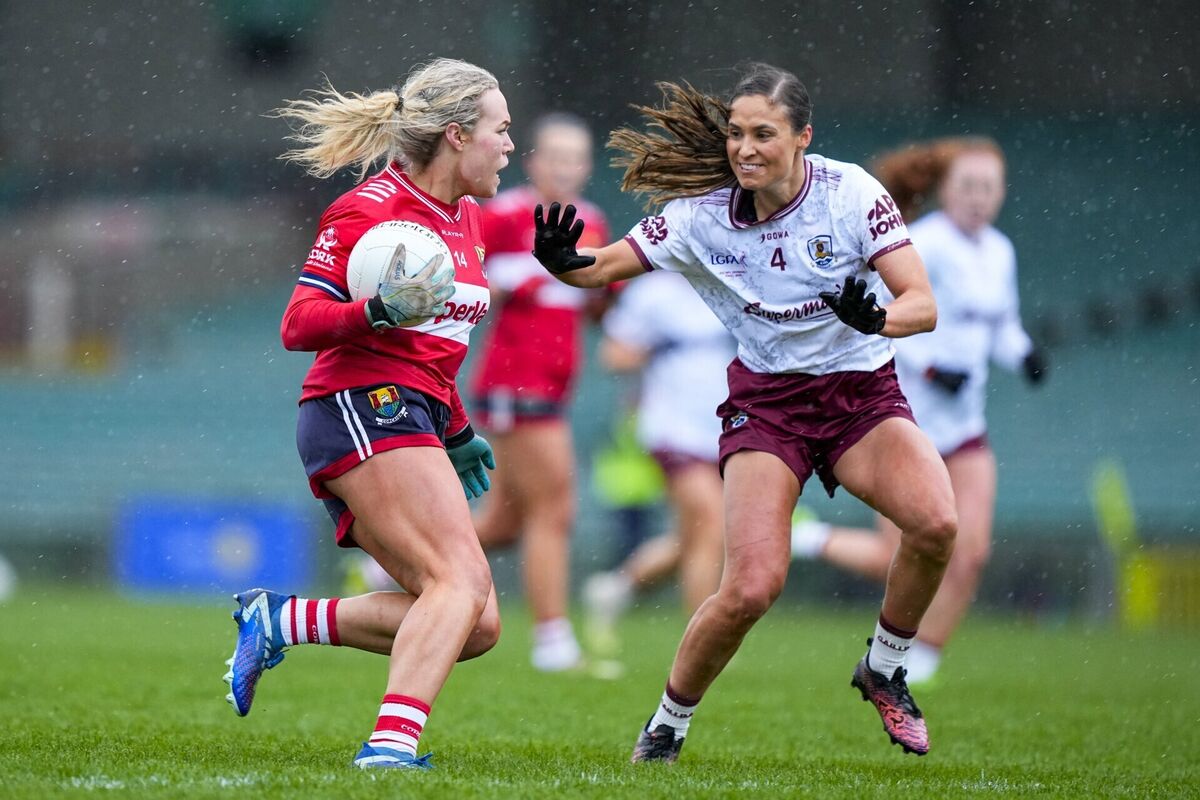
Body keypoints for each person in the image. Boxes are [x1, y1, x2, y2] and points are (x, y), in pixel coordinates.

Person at [531, 63, 957, 760]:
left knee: (937, 523)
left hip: (860, 397)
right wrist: (561, 262)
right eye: (736, 133)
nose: (745, 148)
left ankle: (884, 665)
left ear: (802, 138)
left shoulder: (850, 194)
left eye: (764, 133)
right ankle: (667, 724)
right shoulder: (698, 219)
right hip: (768, 407)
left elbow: (922, 304)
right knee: (752, 586)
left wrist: (877, 318)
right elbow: (599, 267)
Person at [222, 57, 514, 770]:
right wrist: (376, 310)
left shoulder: (468, 218)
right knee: (460, 582)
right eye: (501, 130)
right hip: (358, 403)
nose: (510, 144)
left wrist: (458, 429)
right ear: (455, 134)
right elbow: (299, 323)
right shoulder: (369, 208)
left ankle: (282, 619)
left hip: (413, 408)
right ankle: (390, 745)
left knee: (476, 624)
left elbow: (435, 349)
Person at [789, 136, 1047, 684]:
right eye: (967, 186)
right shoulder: (921, 242)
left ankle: (921, 658)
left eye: (989, 187)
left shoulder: (1000, 251)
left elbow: (1000, 325)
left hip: (964, 425)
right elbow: (885, 317)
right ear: (944, 190)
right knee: (897, 550)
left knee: (970, 551)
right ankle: (805, 539)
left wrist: (1023, 354)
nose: (978, 198)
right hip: (904, 417)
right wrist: (929, 366)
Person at [467, 113, 610, 671]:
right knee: (555, 508)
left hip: (556, 380)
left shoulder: (592, 221)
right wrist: (536, 274)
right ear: (533, 161)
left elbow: (590, 301)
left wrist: (607, 293)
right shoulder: (502, 213)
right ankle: (553, 639)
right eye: (555, 156)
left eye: (576, 158)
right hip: (514, 380)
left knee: (506, 522)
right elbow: (478, 282)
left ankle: (392, 564)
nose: (565, 168)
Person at [582, 269, 735, 640]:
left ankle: (616, 588)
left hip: (723, 427)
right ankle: (705, 641)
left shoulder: (732, 278)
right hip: (673, 427)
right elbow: (613, 354)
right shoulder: (653, 292)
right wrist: (661, 347)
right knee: (711, 525)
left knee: (693, 536)